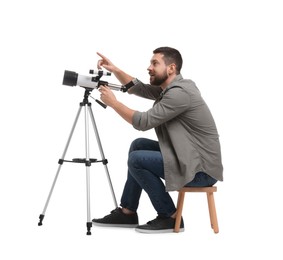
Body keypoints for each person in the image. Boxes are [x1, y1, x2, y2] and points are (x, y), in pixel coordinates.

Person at [92, 47, 223, 233]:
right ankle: (128, 211)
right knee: (138, 145)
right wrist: (115, 70)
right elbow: (140, 88)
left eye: (155, 63)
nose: (149, 67)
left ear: (171, 68)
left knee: (136, 159)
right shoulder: (172, 88)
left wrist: (113, 103)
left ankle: (169, 216)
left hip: (200, 170)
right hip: (188, 159)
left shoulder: (180, 94)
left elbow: (143, 122)